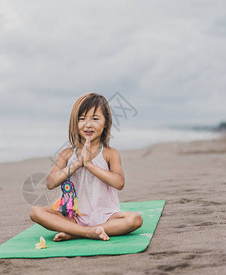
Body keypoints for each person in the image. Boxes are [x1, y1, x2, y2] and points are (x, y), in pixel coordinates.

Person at [29, 93, 143, 241]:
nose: (88, 125)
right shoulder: (67, 154)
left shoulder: (110, 153)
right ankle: (87, 232)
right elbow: (50, 183)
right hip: (73, 218)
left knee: (135, 219)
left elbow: (119, 183)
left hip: (107, 218)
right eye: (82, 119)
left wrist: (89, 164)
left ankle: (76, 233)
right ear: (75, 123)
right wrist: (77, 164)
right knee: (36, 212)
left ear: (106, 123)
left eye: (95, 119)